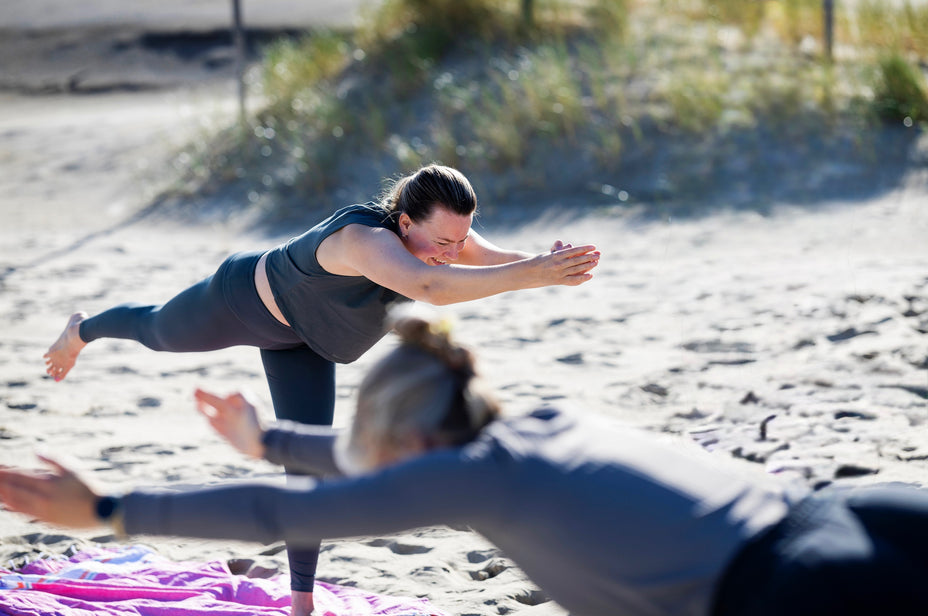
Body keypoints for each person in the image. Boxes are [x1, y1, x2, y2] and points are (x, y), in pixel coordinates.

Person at [6, 312, 928, 616]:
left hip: (798, 589)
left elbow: (273, 516)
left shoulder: (465, 478)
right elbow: (364, 464)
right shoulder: (530, 428)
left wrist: (108, 510)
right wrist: (273, 442)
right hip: (858, 510)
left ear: (409, 438)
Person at [40, 164, 600, 615]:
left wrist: (550, 263)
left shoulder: (444, 236)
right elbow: (431, 286)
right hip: (242, 303)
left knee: (303, 464)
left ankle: (300, 603)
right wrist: (532, 275)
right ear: (405, 222)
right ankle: (81, 329)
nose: (453, 251)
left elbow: (492, 260)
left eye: (460, 238)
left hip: (305, 347)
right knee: (158, 330)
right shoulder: (360, 238)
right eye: (443, 240)